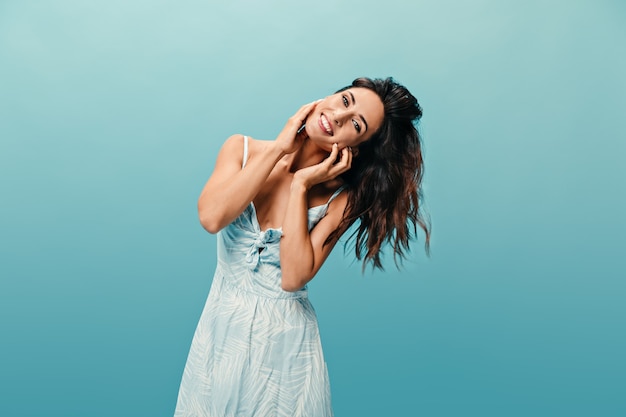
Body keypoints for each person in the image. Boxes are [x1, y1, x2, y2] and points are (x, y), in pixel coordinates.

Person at [174, 77, 430, 417]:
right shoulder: (241, 149)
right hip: (218, 339)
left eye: (355, 123)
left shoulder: (344, 200)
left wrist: (300, 185)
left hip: (285, 352)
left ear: (358, 146)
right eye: (344, 100)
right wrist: (280, 148)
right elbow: (212, 217)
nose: (338, 116)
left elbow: (293, 277)